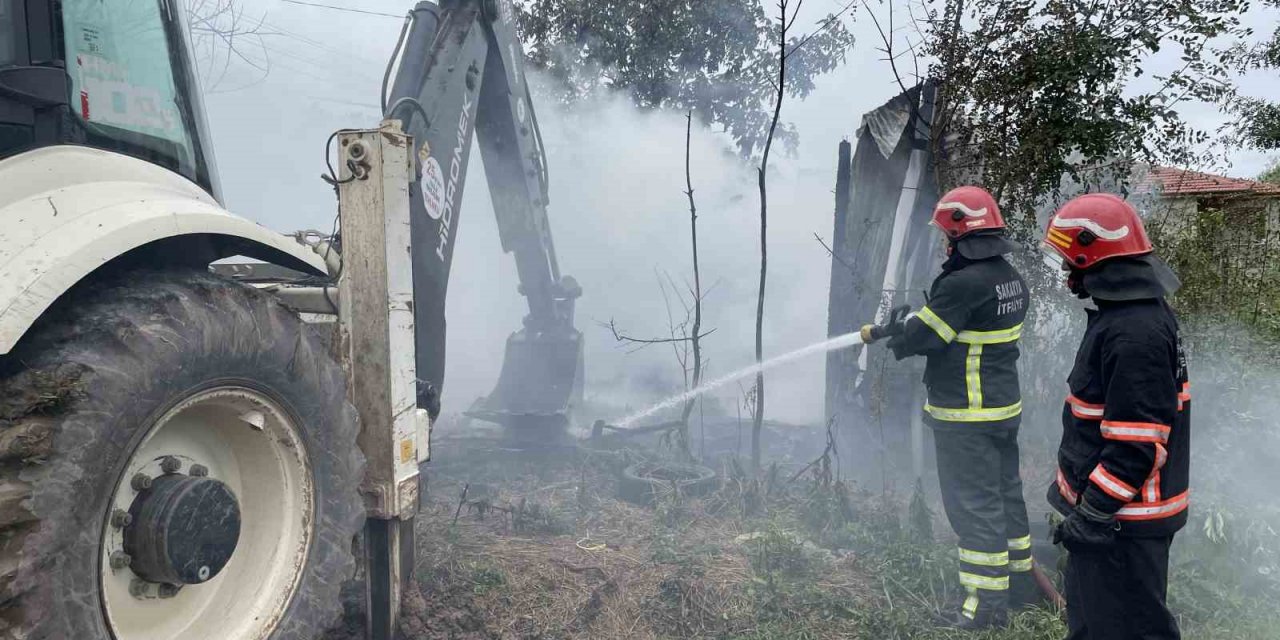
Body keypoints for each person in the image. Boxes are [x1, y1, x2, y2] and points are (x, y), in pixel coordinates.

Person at [862, 185, 1034, 629]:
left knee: (973, 508)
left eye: (946, 233)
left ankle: (983, 608)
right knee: (1006, 498)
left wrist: (899, 328)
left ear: (960, 233)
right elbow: (954, 323)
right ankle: (1019, 590)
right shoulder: (1008, 277)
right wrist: (908, 323)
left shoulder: (961, 282)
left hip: (966, 417)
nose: (943, 241)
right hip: (1002, 411)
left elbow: (926, 336)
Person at [1042, 193, 1190, 640]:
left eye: (1071, 262)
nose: (1067, 273)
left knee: (1130, 629)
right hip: (1114, 519)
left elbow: (1135, 442)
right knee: (1094, 625)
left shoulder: (1134, 332)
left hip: (1123, 523)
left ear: (1094, 254)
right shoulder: (1125, 317)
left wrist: (1094, 513)